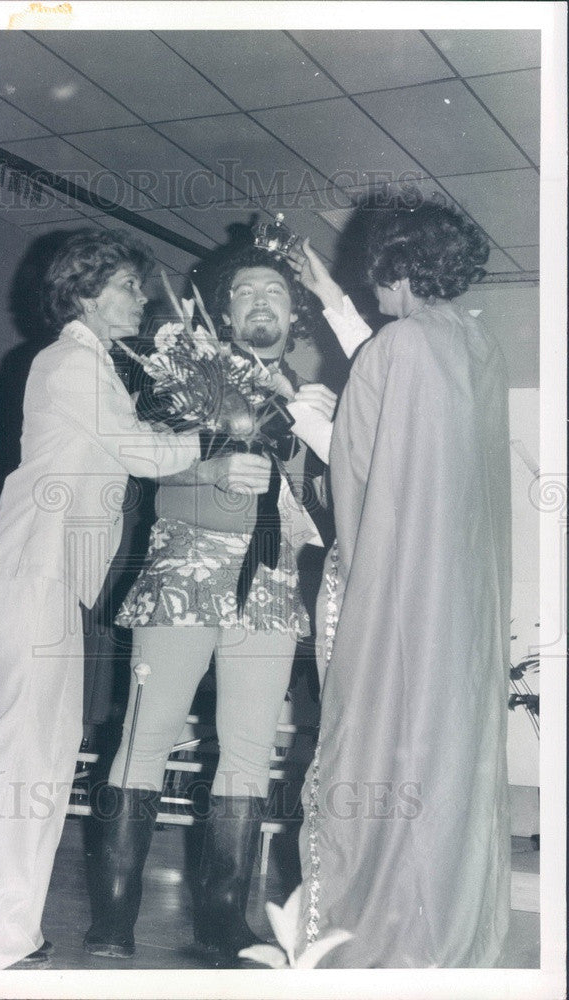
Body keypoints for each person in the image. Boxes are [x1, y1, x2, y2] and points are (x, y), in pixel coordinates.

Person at [0, 229, 269, 970]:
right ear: (84, 291)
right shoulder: (71, 361)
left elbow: (134, 444)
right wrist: (222, 438)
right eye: (126, 285)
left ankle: (1, 929)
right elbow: (142, 451)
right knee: (25, 749)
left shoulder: (92, 365)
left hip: (52, 571)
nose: (141, 297)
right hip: (36, 563)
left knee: (45, 750)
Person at [82, 245, 337, 963]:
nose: (262, 301)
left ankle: (224, 922)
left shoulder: (311, 403)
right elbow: (145, 469)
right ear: (223, 312)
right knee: (145, 737)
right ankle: (113, 919)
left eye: (277, 293)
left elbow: (333, 498)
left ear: (295, 315)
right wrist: (212, 464)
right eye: (246, 291)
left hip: (270, 584)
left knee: (250, 753)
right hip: (184, 570)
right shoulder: (178, 377)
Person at [286, 201, 512, 967]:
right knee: (439, 759)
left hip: (395, 595)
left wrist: (303, 415)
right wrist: (330, 301)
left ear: (394, 263)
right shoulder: (473, 345)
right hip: (459, 606)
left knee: (379, 746)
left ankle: (375, 932)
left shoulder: (400, 347)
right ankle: (442, 933)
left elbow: (361, 471)